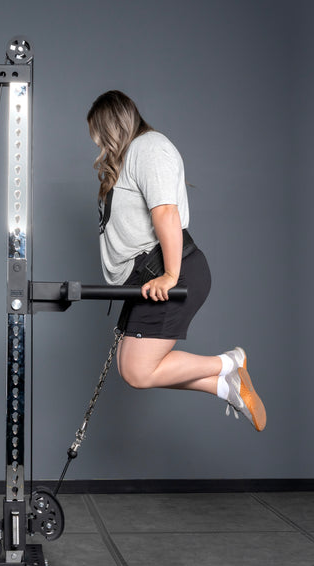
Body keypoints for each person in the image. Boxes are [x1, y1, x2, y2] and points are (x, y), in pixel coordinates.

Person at [87, 90, 266, 431]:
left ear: (113, 124)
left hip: (170, 271)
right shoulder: (131, 157)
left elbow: (166, 212)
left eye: (100, 134)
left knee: (139, 371)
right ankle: (223, 383)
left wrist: (171, 274)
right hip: (149, 278)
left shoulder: (148, 147)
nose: (99, 145)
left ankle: (229, 363)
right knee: (130, 368)